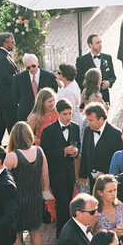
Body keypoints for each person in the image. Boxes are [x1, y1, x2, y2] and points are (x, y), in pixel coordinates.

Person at [5, 121, 50, 245]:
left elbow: (2, 177)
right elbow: (45, 175)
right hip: (36, 197)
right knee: (35, 231)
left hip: (17, 200)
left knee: (17, 234)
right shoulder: (39, 151)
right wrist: (45, 194)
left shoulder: (12, 156)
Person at [41, 98, 81, 237]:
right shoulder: (49, 130)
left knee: (69, 201)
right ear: (58, 113)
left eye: (70, 113)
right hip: (56, 173)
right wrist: (63, 151)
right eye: (65, 114)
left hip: (69, 173)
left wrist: (76, 151)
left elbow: (78, 145)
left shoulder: (75, 127)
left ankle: (67, 232)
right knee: (62, 203)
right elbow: (45, 153)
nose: (68, 117)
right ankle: (62, 233)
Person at [78, 103, 123, 185]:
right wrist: (83, 175)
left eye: (91, 120)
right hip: (92, 179)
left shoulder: (116, 134)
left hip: (109, 181)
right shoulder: (88, 130)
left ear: (101, 119)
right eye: (87, 120)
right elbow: (85, 152)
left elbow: (119, 161)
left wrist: (106, 175)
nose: (88, 123)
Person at [0, 33, 18, 144]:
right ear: (4, 43)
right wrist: (18, 77)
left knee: (0, 123)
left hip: (3, 97)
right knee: (12, 122)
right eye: (11, 42)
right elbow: (5, 78)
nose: (13, 43)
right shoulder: (2, 58)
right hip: (6, 97)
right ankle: (16, 145)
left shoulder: (1, 54)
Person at [12, 54, 58, 122]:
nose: (32, 69)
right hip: (26, 115)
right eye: (28, 67)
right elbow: (15, 96)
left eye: (33, 66)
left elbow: (54, 94)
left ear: (38, 63)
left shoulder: (49, 77)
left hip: (45, 114)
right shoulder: (18, 78)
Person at [94, 175, 123, 245]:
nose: (114, 194)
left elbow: (122, 223)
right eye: (110, 191)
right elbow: (89, 234)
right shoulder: (94, 210)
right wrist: (110, 233)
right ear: (100, 193)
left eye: (115, 190)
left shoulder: (119, 205)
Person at [75, 34, 116, 105]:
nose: (100, 44)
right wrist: (88, 90)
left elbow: (113, 76)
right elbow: (78, 79)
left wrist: (109, 82)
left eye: (101, 42)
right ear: (90, 45)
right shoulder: (81, 60)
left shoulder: (107, 58)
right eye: (97, 43)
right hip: (89, 98)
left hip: (104, 96)